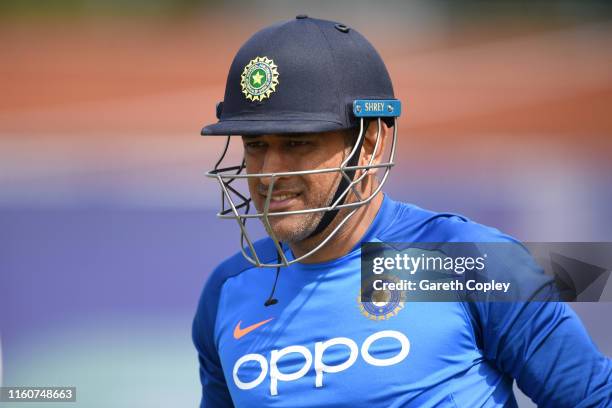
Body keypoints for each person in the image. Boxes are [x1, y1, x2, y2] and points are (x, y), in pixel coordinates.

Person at [192, 16, 612, 407]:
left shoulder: (467, 261)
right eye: (256, 145)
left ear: (370, 141)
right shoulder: (228, 291)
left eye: (298, 144)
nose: (268, 174)